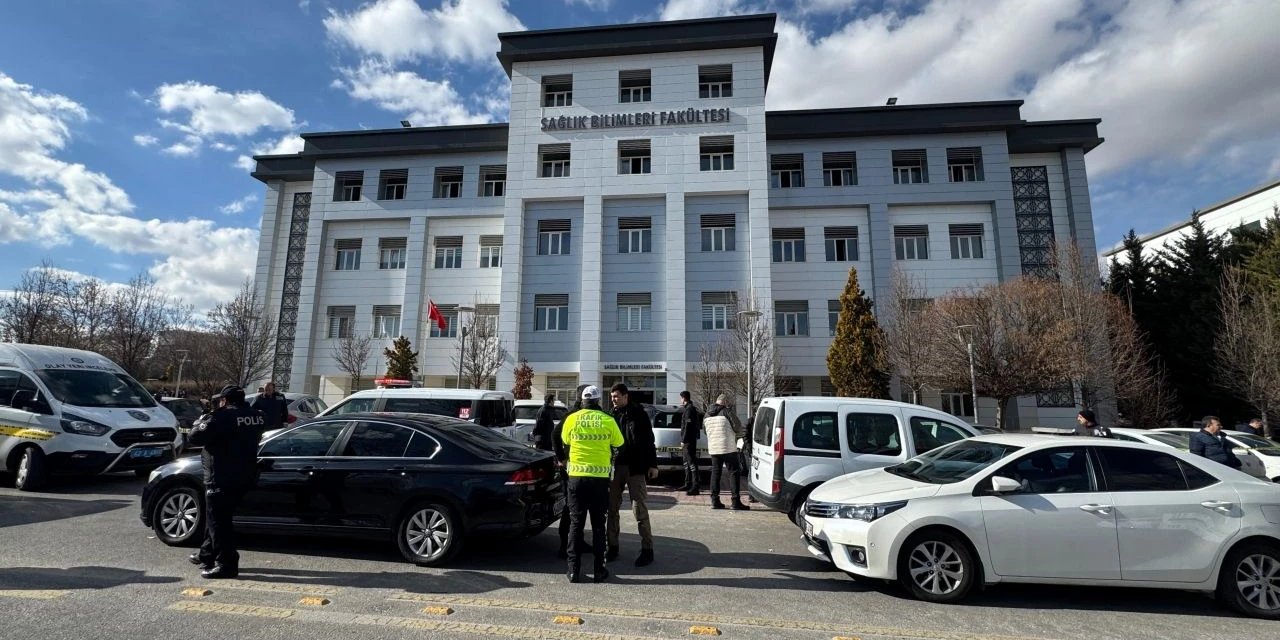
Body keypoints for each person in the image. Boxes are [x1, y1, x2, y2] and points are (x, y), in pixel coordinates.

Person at [185, 385, 267, 579]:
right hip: (244, 474)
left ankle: (227, 564)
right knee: (216, 518)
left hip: (221, 475)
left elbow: (194, 437)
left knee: (219, 522)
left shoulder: (220, 417)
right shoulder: (257, 415)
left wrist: (203, 420)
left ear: (225, 400)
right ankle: (207, 554)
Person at [560, 385, 624, 583]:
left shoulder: (572, 419)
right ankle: (599, 570)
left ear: (582, 400)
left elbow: (564, 439)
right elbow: (619, 443)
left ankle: (573, 570)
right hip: (599, 480)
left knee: (575, 525)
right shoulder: (608, 419)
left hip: (576, 478)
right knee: (598, 526)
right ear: (597, 401)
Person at [607, 383, 658, 567]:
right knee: (612, 509)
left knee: (639, 509)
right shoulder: (610, 415)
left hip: (636, 468)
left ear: (626, 396)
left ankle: (647, 549)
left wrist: (653, 464)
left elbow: (649, 440)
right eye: (612, 396)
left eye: (617, 396)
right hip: (616, 467)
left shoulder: (639, 414)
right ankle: (612, 547)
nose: (614, 399)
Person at [704, 394, 749, 511]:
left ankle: (715, 501)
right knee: (734, 472)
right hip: (728, 447)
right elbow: (738, 427)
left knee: (715, 474)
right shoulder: (727, 412)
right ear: (725, 402)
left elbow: (705, 431)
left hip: (714, 448)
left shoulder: (706, 414)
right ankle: (735, 501)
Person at [676, 391, 703, 496]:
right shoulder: (688, 409)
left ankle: (695, 487)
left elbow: (687, 426)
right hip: (688, 440)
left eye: (681, 398)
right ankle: (687, 483)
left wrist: (684, 440)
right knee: (686, 463)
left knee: (692, 463)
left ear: (684, 398)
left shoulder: (690, 409)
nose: (680, 400)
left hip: (689, 441)